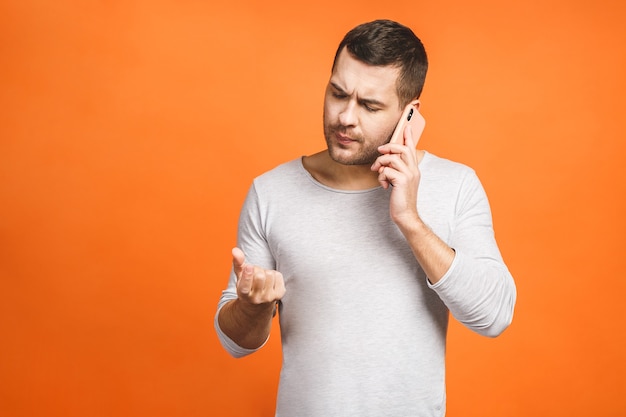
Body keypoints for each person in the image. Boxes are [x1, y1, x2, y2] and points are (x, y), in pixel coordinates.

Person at [215, 19, 516, 417]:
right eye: (338, 94)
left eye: (370, 105)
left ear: (409, 115)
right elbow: (235, 342)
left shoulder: (456, 186)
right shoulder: (271, 192)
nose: (345, 117)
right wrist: (252, 307)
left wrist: (409, 218)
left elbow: (494, 316)